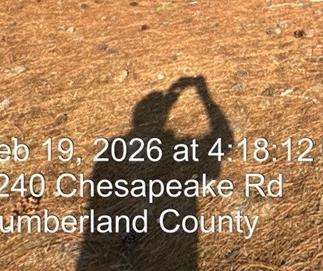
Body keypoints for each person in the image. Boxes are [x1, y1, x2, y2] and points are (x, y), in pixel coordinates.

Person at [75, 76, 232, 271]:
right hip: (169, 227)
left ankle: (133, 236)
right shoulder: (159, 147)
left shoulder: (116, 148)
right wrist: (202, 92)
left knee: (140, 213)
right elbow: (224, 143)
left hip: (137, 216)